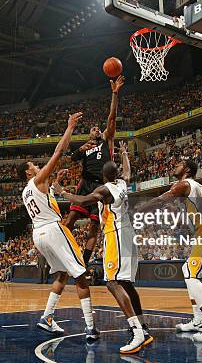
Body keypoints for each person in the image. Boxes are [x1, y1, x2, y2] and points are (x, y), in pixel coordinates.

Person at [53, 141, 153, 353]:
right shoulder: (122, 184)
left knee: (112, 282)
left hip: (115, 234)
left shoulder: (104, 190)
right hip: (128, 232)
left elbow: (83, 199)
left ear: (103, 176)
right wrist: (125, 153)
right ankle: (142, 325)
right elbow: (127, 172)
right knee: (125, 283)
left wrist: (62, 192)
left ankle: (137, 333)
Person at [16, 112, 99, 342]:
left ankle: (47, 317)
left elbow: (45, 197)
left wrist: (57, 183)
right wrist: (70, 127)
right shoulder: (36, 180)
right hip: (53, 229)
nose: (37, 166)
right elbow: (58, 152)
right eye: (33, 165)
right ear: (28, 172)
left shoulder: (26, 191)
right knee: (81, 274)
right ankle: (90, 327)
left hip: (38, 234)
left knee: (62, 274)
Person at [138, 160, 202, 342]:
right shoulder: (196, 187)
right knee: (187, 270)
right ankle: (199, 320)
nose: (174, 166)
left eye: (178, 164)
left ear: (186, 169)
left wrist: (136, 210)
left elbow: (160, 200)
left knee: (192, 275)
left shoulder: (183, 184)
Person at [64, 76, 124, 266]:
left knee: (94, 228)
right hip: (86, 183)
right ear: (89, 134)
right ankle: (61, 253)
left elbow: (112, 118)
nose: (96, 129)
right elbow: (69, 159)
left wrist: (114, 94)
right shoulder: (86, 146)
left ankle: (83, 262)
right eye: (92, 128)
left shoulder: (107, 139)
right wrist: (80, 149)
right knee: (70, 219)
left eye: (98, 128)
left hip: (102, 185)